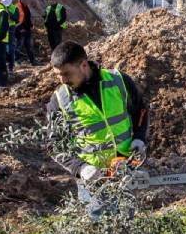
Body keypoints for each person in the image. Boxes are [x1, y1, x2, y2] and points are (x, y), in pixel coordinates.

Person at [45, 41, 150, 219]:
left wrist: (139, 137)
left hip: (124, 168)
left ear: (83, 65)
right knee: (97, 223)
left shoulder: (118, 81)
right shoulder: (60, 100)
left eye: (66, 74)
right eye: (58, 75)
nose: (62, 80)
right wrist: (80, 167)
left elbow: (141, 109)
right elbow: (54, 144)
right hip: (92, 177)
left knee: (126, 221)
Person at [12, 0, 37, 65]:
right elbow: (15, 19)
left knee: (29, 46)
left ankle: (33, 61)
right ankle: (16, 61)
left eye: (28, 0)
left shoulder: (26, 7)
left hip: (27, 30)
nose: (28, 2)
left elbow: (27, 18)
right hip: (20, 31)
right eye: (27, 0)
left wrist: (31, 26)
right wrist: (20, 28)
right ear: (22, 0)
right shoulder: (17, 7)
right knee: (18, 46)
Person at [1, 0, 17, 73]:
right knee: (3, 48)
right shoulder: (0, 7)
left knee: (10, 49)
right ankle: (4, 66)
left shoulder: (14, 8)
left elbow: (16, 18)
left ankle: (11, 66)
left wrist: (8, 13)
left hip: (11, 29)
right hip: (2, 29)